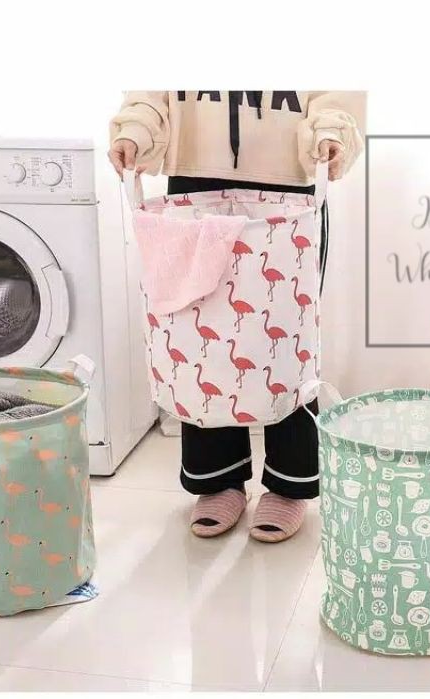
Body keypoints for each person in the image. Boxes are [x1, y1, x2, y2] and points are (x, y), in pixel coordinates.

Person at [109, 91, 363, 542]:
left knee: (287, 339)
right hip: (197, 175)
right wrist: (135, 132)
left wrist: (330, 132)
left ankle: (290, 483)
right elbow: (152, 93)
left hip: (287, 178)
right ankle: (217, 479)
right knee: (197, 337)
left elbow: (334, 93)